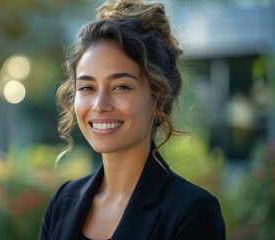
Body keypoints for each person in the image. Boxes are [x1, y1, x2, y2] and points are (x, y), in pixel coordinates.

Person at [38, 0, 226, 239]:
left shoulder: (191, 212)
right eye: (87, 88)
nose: (99, 105)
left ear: (157, 97)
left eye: (121, 87)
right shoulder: (62, 202)